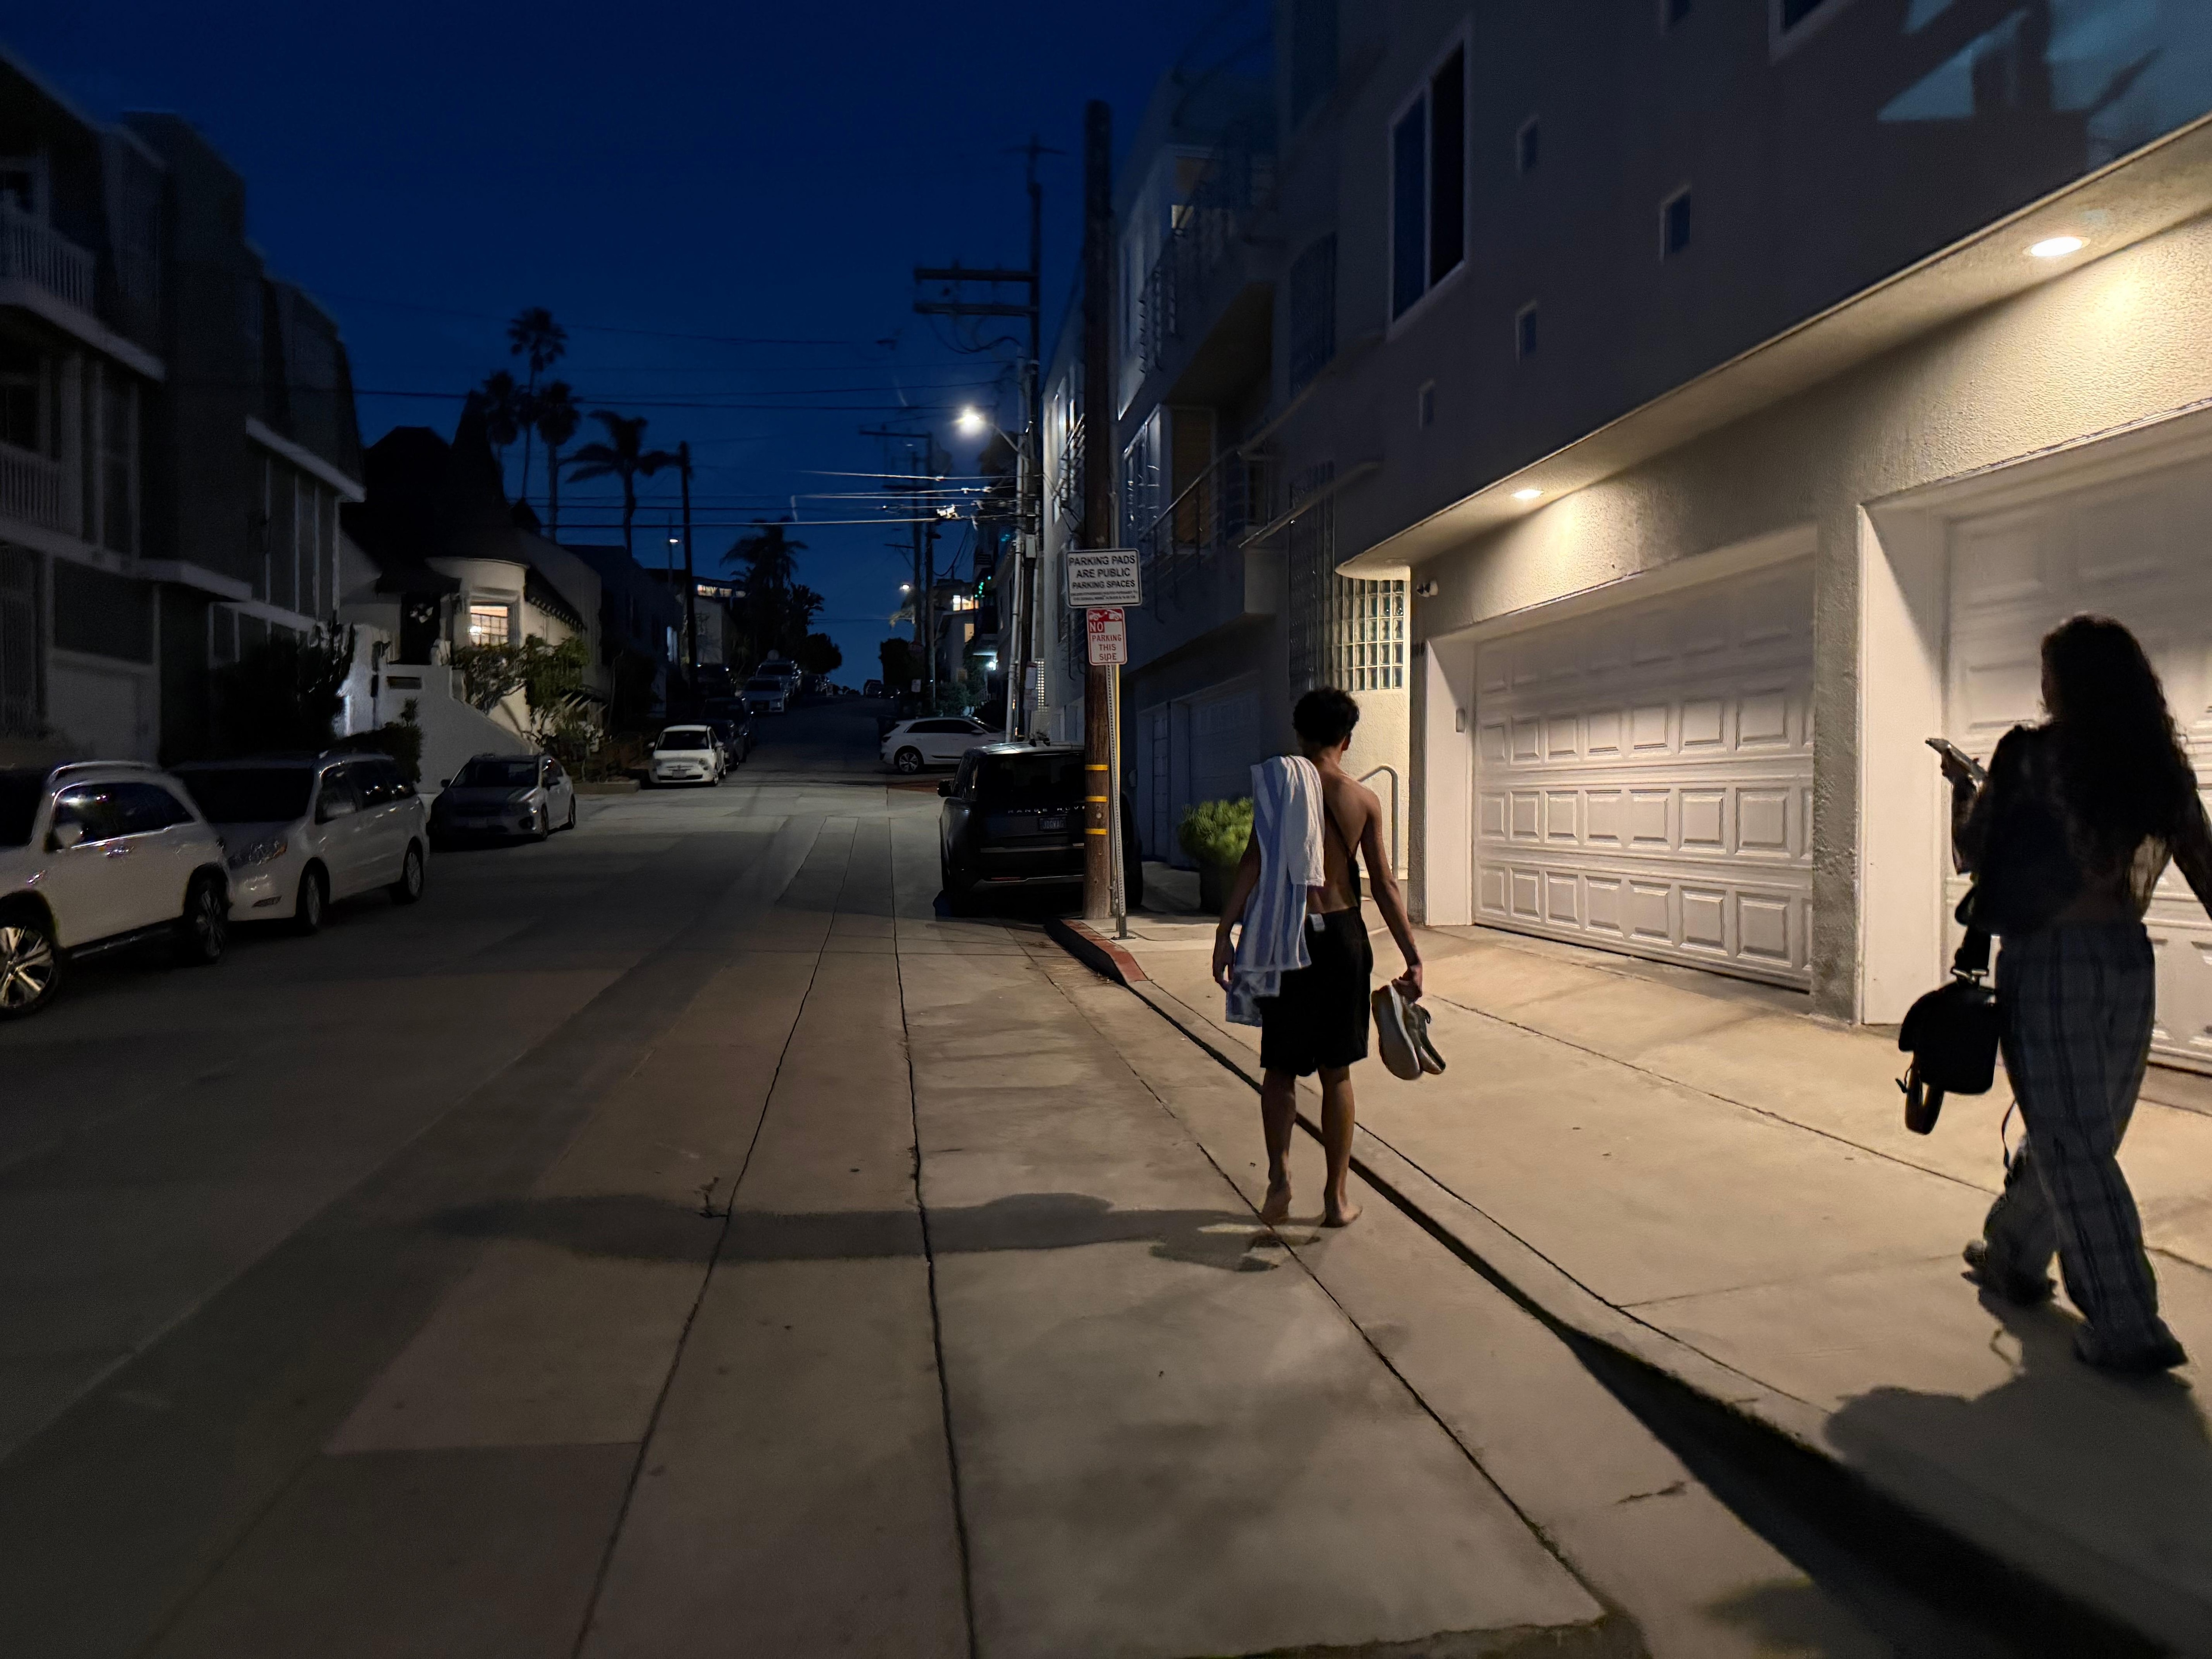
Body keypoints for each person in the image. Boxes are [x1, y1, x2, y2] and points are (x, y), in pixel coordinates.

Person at [1947, 614, 2212, 1374]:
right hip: (2128, 963)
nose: (2043, 686)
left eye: (2049, 671)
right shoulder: (2155, 767)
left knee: (2071, 1141)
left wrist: (1965, 793)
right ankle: (2012, 1253)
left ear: (2066, 681)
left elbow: (1975, 850)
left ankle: (2128, 1322)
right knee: (2082, 1136)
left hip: (2050, 960)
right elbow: (2203, 861)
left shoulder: (2029, 757)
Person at [1213, 687, 1422, 1228]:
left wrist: (1224, 932)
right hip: (1343, 939)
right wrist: (1412, 955)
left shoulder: (1280, 789)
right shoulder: (1364, 801)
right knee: (1337, 1073)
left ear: (1300, 736)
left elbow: (1252, 863)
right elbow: (1385, 885)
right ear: (1346, 740)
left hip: (1287, 939)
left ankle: (1279, 1176)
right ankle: (1335, 1198)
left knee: (1279, 1068)